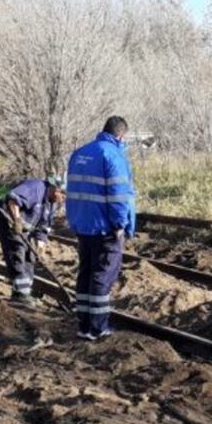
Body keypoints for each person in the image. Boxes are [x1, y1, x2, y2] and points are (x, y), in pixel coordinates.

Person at [65, 115, 136, 340]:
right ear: (120, 135)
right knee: (102, 275)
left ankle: (83, 324)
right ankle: (97, 327)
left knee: (85, 273)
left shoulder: (79, 153)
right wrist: (120, 224)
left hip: (82, 224)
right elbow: (119, 195)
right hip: (105, 227)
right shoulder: (113, 155)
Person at [0, 175, 67, 307]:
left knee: (30, 257)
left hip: (24, 227)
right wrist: (16, 220)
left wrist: (40, 249)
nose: (63, 198)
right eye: (63, 194)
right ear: (56, 189)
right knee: (17, 251)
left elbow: (42, 229)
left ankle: (23, 291)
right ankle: (21, 295)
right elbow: (13, 199)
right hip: (8, 220)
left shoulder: (52, 204)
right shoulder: (35, 187)